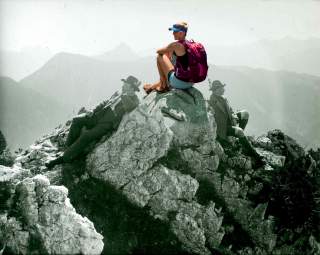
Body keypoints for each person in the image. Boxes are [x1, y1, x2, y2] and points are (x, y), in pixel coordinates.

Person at [46, 76, 141, 168]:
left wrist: (124, 95)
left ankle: (62, 159)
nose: (123, 85)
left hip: (106, 124)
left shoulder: (134, 100)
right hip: (97, 116)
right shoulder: (118, 92)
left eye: (125, 84)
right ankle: (69, 148)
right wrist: (93, 110)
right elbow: (105, 102)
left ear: (131, 88)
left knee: (87, 136)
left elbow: (130, 107)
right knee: (77, 120)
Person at [208, 79, 265, 167]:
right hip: (222, 127)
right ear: (216, 90)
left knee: (245, 113)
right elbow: (211, 117)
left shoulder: (223, 98)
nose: (224, 89)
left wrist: (234, 116)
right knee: (240, 132)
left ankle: (239, 140)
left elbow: (230, 111)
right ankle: (255, 155)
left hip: (230, 120)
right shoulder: (212, 101)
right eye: (221, 88)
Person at [143, 21, 195, 94]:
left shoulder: (176, 45)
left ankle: (163, 86)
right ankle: (153, 87)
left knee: (160, 56)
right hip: (190, 82)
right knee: (169, 54)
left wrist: (169, 50)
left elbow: (158, 51)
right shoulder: (190, 45)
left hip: (179, 83)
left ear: (181, 33)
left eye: (175, 31)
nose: (173, 33)